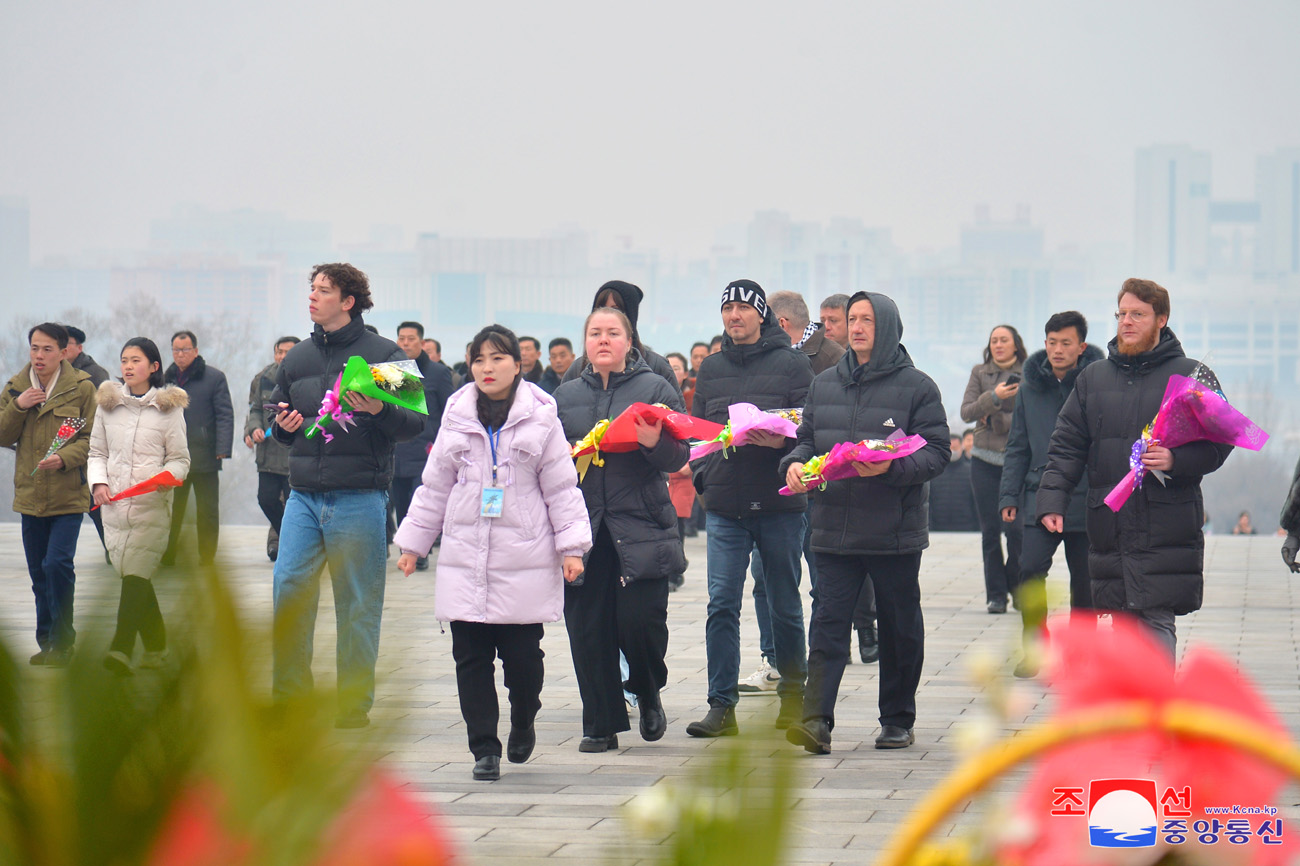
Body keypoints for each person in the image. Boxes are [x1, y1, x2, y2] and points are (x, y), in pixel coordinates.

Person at [394, 324, 589, 780]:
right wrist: (413, 543)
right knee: (470, 658)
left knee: (524, 661)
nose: (487, 367)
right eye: (479, 359)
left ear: (517, 365)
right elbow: (435, 484)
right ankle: (484, 748)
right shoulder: (457, 415)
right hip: (465, 556)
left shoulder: (542, 417)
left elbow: (562, 489)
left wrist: (573, 547)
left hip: (523, 556)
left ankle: (523, 719)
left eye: (497, 358)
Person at [781, 292, 949, 754]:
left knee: (899, 627)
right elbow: (806, 439)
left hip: (894, 531)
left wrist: (892, 469)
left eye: (867, 320)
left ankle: (897, 718)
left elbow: (937, 453)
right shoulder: (825, 385)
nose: (856, 327)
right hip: (833, 526)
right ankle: (816, 720)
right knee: (828, 623)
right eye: (852, 319)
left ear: (888, 327)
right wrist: (795, 466)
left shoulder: (918, 387)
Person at [1038, 278, 1232, 659]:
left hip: (1167, 520)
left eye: (1138, 314)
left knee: (1156, 617)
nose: (1126, 322)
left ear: (1162, 319)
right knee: (1123, 621)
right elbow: (1066, 445)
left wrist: (1177, 461)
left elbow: (1223, 441)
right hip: (1110, 518)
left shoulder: (1191, 375)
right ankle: (1134, 709)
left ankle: (1157, 710)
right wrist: (1051, 499)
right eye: (1121, 314)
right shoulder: (1093, 378)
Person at [269, 263, 425, 728]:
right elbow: (281, 422)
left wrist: (378, 409)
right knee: (288, 592)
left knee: (357, 603)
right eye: (311, 290)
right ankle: (289, 699)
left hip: (360, 496)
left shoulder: (385, 354)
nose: (312, 298)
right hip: (303, 497)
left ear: (348, 301)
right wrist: (283, 427)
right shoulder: (295, 358)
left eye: (323, 291)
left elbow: (415, 425)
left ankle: (352, 703)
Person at [554, 307, 688, 751]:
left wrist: (655, 444)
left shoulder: (654, 388)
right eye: (595, 333)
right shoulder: (565, 395)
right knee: (588, 628)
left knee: (641, 625)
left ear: (630, 342)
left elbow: (678, 456)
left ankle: (648, 692)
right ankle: (601, 722)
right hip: (584, 529)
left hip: (641, 524)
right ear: (585, 344)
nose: (604, 340)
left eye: (613, 333)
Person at [686, 279, 813, 737]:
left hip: (779, 503)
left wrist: (784, 440)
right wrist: (704, 480)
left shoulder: (794, 364)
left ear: (762, 314)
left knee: (783, 603)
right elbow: (699, 430)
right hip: (724, 504)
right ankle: (721, 705)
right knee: (721, 604)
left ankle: (794, 698)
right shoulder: (713, 367)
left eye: (743, 308)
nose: (734, 316)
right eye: (728, 309)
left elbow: (810, 424)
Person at [741, 290, 861, 692]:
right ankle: (774, 659)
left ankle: (824, 653)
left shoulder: (829, 358)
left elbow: (834, 422)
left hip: (817, 485)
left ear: (780, 323)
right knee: (767, 577)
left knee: (821, 577)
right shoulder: (768, 356)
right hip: (779, 483)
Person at [998, 312, 1102, 678]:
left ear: (1081, 347)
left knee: (1085, 580)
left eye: (1066, 343)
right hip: (1038, 493)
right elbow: (1018, 446)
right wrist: (1009, 496)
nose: (1058, 350)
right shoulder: (1030, 388)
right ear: (1045, 344)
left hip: (1085, 494)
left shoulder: (1096, 384)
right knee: (1028, 571)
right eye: (1052, 342)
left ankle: (1082, 654)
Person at [89, 338, 190, 676]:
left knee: (134, 574)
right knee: (135, 578)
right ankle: (157, 645)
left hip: (150, 506)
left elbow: (179, 460)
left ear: (154, 366)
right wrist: (99, 483)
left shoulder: (168, 409)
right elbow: (97, 454)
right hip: (114, 508)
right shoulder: (106, 406)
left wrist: (166, 478)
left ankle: (120, 649)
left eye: (136, 360)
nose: (128, 366)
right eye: (124, 360)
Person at [0, 323, 97, 666]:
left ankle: (64, 641)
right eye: (34, 349)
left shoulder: (82, 389)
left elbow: (94, 440)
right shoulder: (16, 386)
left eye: (46, 350)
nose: (39, 356)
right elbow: (1, 433)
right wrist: (19, 406)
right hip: (31, 496)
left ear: (63, 352)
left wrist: (65, 458)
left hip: (68, 495)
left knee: (57, 564)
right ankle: (47, 643)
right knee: (38, 573)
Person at [960, 324, 1027, 613]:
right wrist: (995, 398)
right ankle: (996, 595)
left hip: (1017, 462)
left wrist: (997, 419)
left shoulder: (1030, 372)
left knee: (1017, 532)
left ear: (1016, 345)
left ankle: (1017, 586)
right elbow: (967, 412)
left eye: (1004, 340)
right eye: (994, 340)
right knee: (990, 532)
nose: (999, 345)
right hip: (984, 461)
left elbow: (1032, 415)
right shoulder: (980, 372)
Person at [161, 330, 233, 566]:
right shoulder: (164, 380)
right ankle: (168, 554)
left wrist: (223, 447)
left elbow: (224, 414)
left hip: (205, 454)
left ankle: (207, 557)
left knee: (207, 511)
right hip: (172, 456)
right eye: (176, 350)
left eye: (185, 349)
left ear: (195, 351)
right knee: (172, 509)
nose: (180, 355)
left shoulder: (214, 378)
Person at [392, 320, 455, 570]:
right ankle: (406, 547)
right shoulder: (391, 372)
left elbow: (449, 411)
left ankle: (420, 550)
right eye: (401, 339)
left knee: (422, 498)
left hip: (426, 449)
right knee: (400, 500)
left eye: (411, 339)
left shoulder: (438, 373)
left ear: (422, 342)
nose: (406, 343)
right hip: (397, 448)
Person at [561, 281, 680, 391]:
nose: (607, 314)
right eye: (601, 307)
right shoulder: (577, 370)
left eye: (616, 309)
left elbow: (675, 413)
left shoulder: (657, 367)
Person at [245, 336, 298, 561]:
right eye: (279, 352)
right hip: (267, 453)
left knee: (293, 505)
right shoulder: (263, 378)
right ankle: (288, 540)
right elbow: (255, 409)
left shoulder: (304, 378)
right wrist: (253, 429)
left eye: (288, 352)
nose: (282, 356)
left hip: (293, 455)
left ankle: (290, 545)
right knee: (266, 499)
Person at [64, 325, 110, 553]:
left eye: (66, 344)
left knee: (97, 508)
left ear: (79, 347)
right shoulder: (49, 373)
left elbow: (98, 416)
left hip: (87, 453)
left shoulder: (96, 374)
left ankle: (113, 550)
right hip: (59, 456)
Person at [928, 433, 980, 532]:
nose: (953, 451)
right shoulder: (935, 472)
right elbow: (929, 503)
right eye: (950, 448)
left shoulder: (970, 472)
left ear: (961, 447)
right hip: (939, 530)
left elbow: (976, 504)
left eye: (955, 448)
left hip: (966, 529)